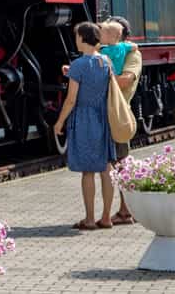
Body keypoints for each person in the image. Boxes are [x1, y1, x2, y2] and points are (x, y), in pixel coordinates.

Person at [54, 22, 116, 230]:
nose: (76, 39)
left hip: (84, 119)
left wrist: (59, 122)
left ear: (82, 38)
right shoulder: (106, 61)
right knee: (106, 167)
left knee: (88, 171)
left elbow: (71, 99)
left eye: (77, 36)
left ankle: (89, 219)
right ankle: (106, 217)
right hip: (103, 117)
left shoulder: (79, 64)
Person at [107, 15, 141, 225]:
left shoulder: (133, 55)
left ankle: (127, 209)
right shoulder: (108, 51)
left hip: (119, 114)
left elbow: (125, 80)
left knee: (121, 162)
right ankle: (121, 210)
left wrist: (98, 78)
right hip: (106, 113)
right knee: (111, 163)